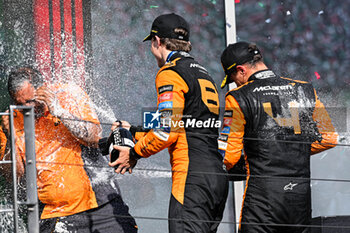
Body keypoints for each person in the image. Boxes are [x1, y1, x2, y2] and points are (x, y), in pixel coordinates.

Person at [111, 13, 228, 233]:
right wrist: (133, 131)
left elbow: (167, 132)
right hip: (216, 178)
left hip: (191, 178)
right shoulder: (203, 73)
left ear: (157, 42)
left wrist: (134, 153)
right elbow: (187, 123)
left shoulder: (170, 72)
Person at [218, 41, 338, 233]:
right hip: (299, 199)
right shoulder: (305, 89)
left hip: (263, 201)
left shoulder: (238, 97)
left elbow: (229, 157)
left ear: (240, 70)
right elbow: (329, 137)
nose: (235, 83)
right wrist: (292, 149)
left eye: (232, 78)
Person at [0, 67, 137, 233]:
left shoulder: (68, 95)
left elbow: (93, 136)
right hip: (54, 214)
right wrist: (11, 139)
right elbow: (14, 175)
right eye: (20, 104)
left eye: (31, 101)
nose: (28, 108)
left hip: (99, 204)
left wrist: (58, 110)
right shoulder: (11, 120)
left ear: (43, 89)